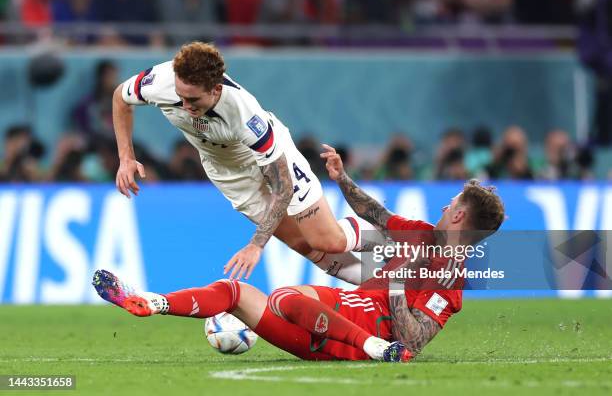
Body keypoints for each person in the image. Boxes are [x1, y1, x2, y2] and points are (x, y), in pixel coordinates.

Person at [93, 144, 505, 362]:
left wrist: (395, 285)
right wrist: (342, 179)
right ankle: (151, 301)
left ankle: (372, 351)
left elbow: (413, 339)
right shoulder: (419, 233)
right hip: (343, 311)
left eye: (451, 205)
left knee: (287, 296)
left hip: (363, 332)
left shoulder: (450, 281)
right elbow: (374, 213)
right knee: (234, 292)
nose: (443, 207)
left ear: (460, 217)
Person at [112, 41, 377, 283]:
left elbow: (282, 190)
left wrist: (256, 245)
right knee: (303, 245)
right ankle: (389, 285)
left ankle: (401, 243)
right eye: (180, 96)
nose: (184, 105)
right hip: (230, 174)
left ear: (216, 89)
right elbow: (120, 98)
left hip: (273, 159)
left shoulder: (244, 114)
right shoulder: (158, 82)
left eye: (193, 100)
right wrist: (126, 158)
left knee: (327, 240)